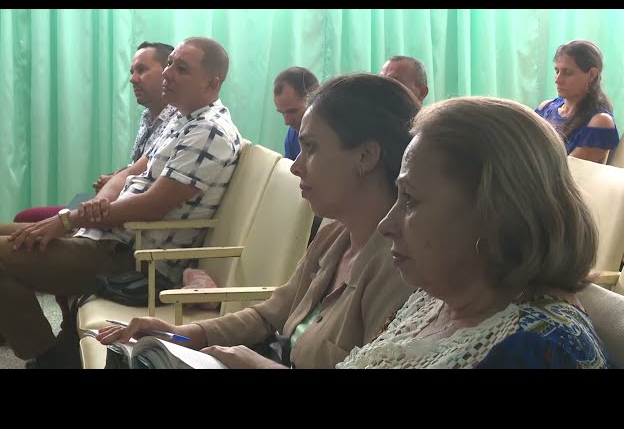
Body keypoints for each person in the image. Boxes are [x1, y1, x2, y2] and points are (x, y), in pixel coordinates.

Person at [97, 73, 419, 369]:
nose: (297, 167)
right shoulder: (336, 236)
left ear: (366, 157)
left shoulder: (400, 268)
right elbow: (268, 315)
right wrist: (183, 334)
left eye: (311, 148)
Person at [0, 36, 241, 368]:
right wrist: (92, 208)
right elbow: (128, 172)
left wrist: (70, 220)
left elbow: (152, 207)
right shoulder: (179, 120)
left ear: (211, 83)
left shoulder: (210, 131)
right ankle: (51, 353)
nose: (169, 73)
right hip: (107, 237)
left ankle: (49, 356)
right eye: (170, 63)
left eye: (180, 68)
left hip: (133, 259)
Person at [337, 96, 614, 369]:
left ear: (495, 213)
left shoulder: (537, 350)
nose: (386, 224)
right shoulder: (435, 301)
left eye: (410, 199)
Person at [13, 41, 178, 223]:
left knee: (27, 220)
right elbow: (140, 166)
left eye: (142, 70)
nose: (133, 79)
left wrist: (113, 186)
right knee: (27, 219)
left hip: (128, 213)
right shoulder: (148, 116)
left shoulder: (178, 121)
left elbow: (149, 175)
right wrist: (114, 177)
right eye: (132, 72)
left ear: (166, 73)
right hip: (118, 199)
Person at [535, 39, 619, 164]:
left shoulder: (600, 121)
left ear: (591, 75)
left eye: (567, 73)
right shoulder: (546, 107)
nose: (557, 80)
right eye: (557, 71)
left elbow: (566, 173)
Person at [273, 66, 319, 160]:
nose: (287, 122)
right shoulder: (293, 135)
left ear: (315, 100)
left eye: (292, 111)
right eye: (282, 113)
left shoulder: (335, 138)